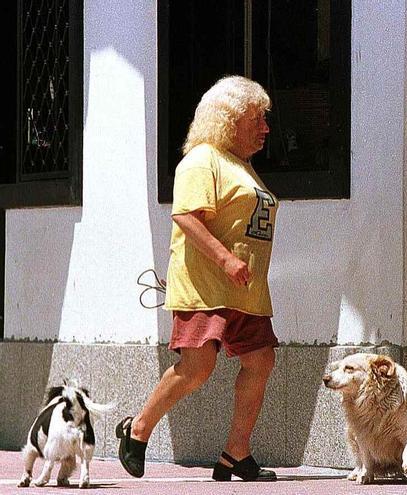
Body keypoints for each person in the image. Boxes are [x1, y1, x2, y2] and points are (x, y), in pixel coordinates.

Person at [116, 75, 279, 482]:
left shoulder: (241, 166)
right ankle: (137, 430)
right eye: (256, 118)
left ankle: (235, 454)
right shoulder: (202, 159)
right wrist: (226, 260)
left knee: (260, 360)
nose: (265, 128)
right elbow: (186, 216)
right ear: (228, 120)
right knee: (197, 366)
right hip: (207, 284)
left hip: (246, 291)